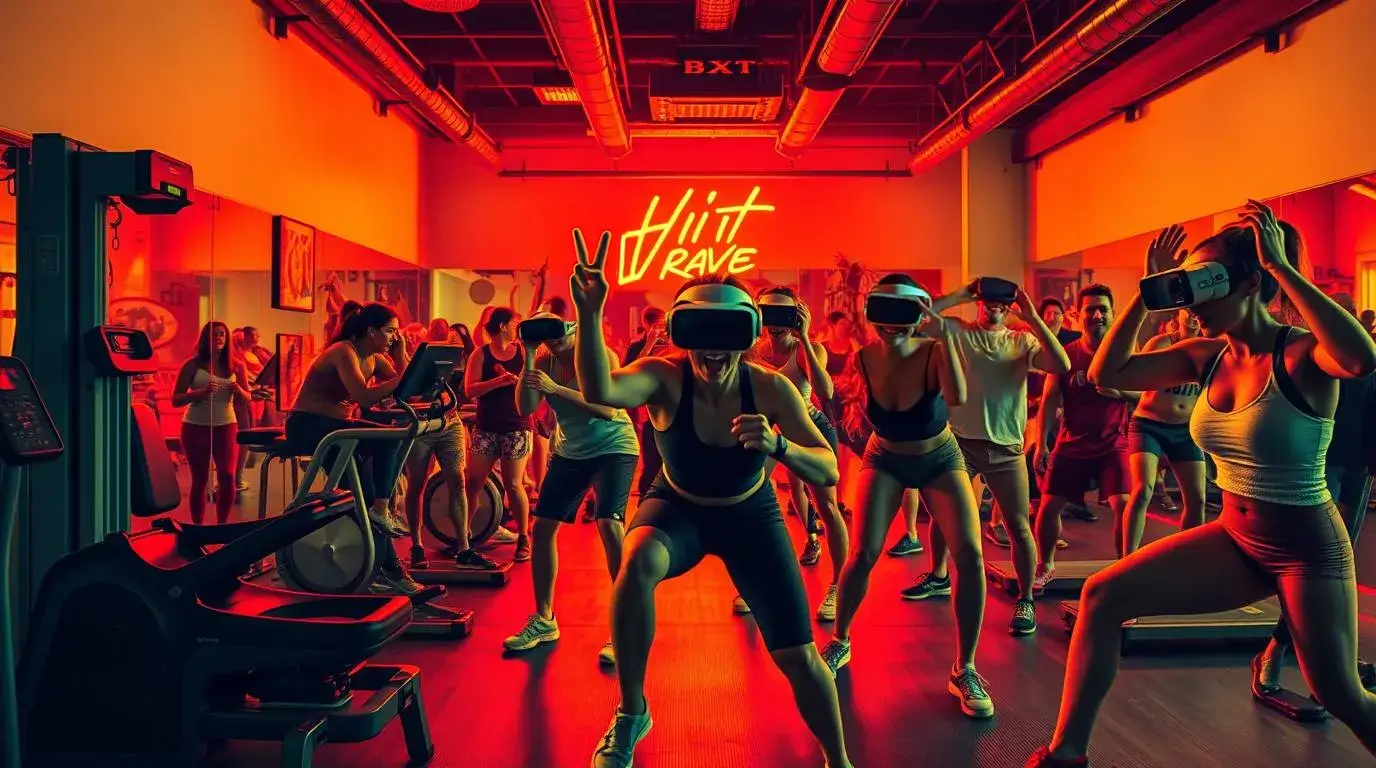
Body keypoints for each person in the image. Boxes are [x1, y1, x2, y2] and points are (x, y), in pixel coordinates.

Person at [1027, 203, 1376, 767]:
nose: (1193, 302)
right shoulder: (1204, 357)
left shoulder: (1303, 354)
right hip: (1235, 540)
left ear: (1253, 283)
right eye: (1187, 287)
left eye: (1205, 286)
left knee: (1341, 695)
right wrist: (1148, 291)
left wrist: (1284, 269)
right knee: (1101, 596)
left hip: (1308, 550)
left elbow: (1361, 359)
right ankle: (1065, 755)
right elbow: (1105, 374)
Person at [568, 230, 851, 768]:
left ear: (748, 336)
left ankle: (839, 760)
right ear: (683, 332)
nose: (714, 347)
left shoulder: (770, 387)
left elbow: (829, 466)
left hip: (751, 515)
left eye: (729, 332)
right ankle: (632, 712)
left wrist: (780, 445)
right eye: (701, 330)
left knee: (800, 654)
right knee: (637, 564)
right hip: (678, 508)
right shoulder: (663, 376)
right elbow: (600, 391)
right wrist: (589, 312)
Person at [818, 274, 993, 717]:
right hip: (886, 458)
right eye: (886, 315)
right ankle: (840, 641)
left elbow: (957, 395)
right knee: (863, 554)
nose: (893, 325)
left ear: (918, 317)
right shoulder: (863, 357)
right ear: (874, 318)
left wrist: (945, 334)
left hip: (940, 457)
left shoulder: (934, 350)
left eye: (903, 315)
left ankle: (965, 668)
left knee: (970, 556)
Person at [907, 279, 1071, 639]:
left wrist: (1031, 317)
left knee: (1017, 526)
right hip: (960, 443)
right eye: (988, 301)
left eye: (1002, 302)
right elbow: (918, 318)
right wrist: (961, 294)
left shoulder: (1021, 340)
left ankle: (1026, 598)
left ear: (1009, 306)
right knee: (943, 515)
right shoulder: (959, 331)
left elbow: (1061, 363)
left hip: (1006, 448)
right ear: (980, 302)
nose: (995, 307)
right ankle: (939, 576)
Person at [504, 312, 639, 665]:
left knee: (609, 525)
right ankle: (545, 619)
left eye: (557, 330)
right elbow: (524, 407)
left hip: (615, 445)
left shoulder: (600, 355)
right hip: (572, 451)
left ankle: (625, 627)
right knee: (541, 528)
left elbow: (608, 411)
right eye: (543, 333)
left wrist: (556, 389)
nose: (553, 338)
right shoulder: (543, 359)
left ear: (573, 328)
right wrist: (529, 355)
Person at [286, 302, 423, 596]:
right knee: (385, 447)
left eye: (396, 334)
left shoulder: (373, 356)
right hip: (309, 425)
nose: (394, 338)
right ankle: (382, 523)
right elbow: (363, 395)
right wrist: (400, 378)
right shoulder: (343, 352)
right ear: (371, 331)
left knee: (364, 493)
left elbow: (408, 386)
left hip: (339, 430)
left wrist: (401, 358)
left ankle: (378, 558)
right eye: (390, 332)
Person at [1031, 286, 1135, 634]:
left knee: (1125, 505)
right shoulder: (1066, 354)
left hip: (1113, 444)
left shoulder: (1123, 353)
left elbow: (1145, 391)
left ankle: (1124, 573)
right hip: (1071, 443)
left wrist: (1120, 391)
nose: (1097, 315)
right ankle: (1045, 564)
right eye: (1090, 309)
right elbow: (1048, 399)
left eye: (1103, 309)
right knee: (1048, 506)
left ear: (1112, 312)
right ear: (1079, 314)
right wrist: (1041, 443)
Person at [751, 287, 846, 620]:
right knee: (751, 502)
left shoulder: (809, 350)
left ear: (796, 316)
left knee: (828, 506)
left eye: (783, 315)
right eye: (768, 314)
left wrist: (803, 336)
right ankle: (754, 583)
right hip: (769, 431)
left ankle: (838, 585)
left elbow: (826, 391)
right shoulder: (753, 350)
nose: (775, 324)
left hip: (809, 428)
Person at [399, 319, 497, 571]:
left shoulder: (454, 359)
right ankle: (417, 546)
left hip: (449, 421)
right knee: (417, 483)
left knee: (458, 480)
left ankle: (464, 547)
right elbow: (404, 391)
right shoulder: (410, 358)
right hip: (421, 424)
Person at [1118, 308, 1207, 555]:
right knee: (1143, 489)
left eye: (1196, 311)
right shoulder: (1162, 343)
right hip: (1149, 425)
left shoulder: (1210, 347)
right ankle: (1128, 559)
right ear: (1177, 315)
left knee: (1197, 499)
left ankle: (1185, 559)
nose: (1192, 316)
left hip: (1185, 429)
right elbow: (1136, 378)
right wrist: (1121, 391)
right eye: (1186, 311)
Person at [464, 307, 534, 561]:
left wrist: (518, 382)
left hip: (516, 424)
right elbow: (470, 390)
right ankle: (465, 536)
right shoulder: (480, 354)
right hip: (487, 426)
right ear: (503, 326)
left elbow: (534, 384)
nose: (518, 326)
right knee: (472, 482)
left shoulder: (523, 352)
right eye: (515, 322)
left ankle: (524, 537)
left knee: (514, 484)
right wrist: (498, 381)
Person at [171, 321, 250, 525]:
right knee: (200, 479)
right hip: (195, 426)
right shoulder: (192, 365)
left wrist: (239, 391)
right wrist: (200, 393)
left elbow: (248, 397)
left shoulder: (237, 365)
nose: (219, 338)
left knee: (227, 476)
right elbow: (176, 399)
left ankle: (221, 525)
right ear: (206, 338)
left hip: (226, 425)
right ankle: (198, 527)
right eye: (214, 335)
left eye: (222, 335)